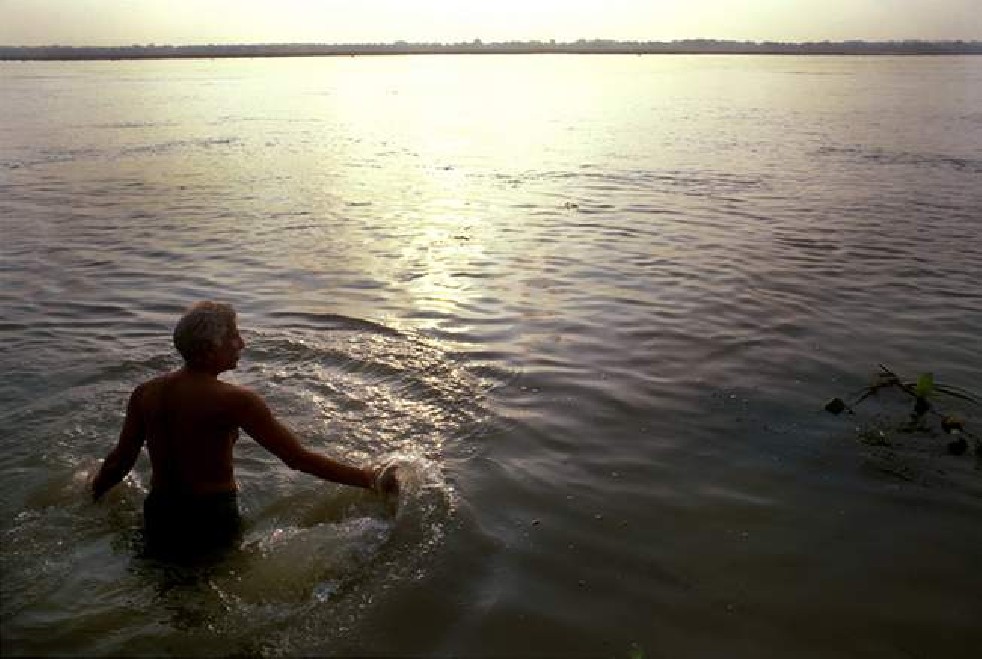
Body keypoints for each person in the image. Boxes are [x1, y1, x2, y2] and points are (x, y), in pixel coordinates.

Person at [91, 301, 397, 556]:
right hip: (210, 516)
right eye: (233, 337)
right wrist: (371, 479)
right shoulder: (235, 400)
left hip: (160, 512)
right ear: (210, 349)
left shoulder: (146, 392)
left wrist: (93, 496)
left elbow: (120, 461)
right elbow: (296, 459)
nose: (242, 344)